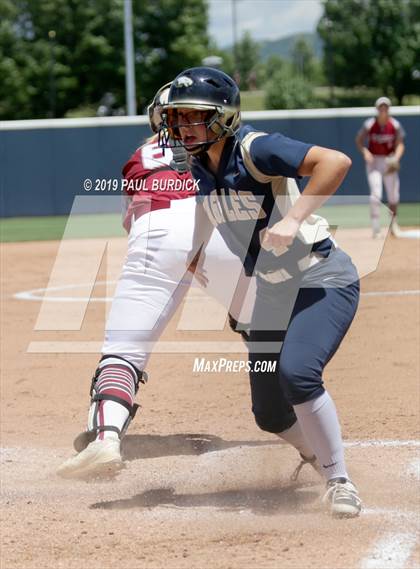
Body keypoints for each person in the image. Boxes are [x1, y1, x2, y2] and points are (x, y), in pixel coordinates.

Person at [160, 66, 363, 518]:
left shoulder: (254, 148)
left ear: (224, 117)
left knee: (297, 374)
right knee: (270, 414)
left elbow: (335, 162)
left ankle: (340, 480)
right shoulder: (199, 164)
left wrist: (292, 221)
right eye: (177, 117)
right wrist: (191, 254)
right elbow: (208, 211)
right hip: (272, 292)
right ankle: (315, 455)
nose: (182, 126)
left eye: (194, 116)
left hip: (319, 278)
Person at [57, 83, 256, 479]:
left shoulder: (139, 156)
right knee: (266, 326)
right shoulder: (223, 146)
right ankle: (297, 421)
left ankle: (106, 439)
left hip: (155, 231)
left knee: (124, 351)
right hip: (216, 227)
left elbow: (131, 219)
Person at [355, 96, 406, 238]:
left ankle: (393, 224)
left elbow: (400, 144)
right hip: (374, 161)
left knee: (394, 196)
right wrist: (365, 152)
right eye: (381, 107)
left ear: (389, 109)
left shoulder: (394, 124)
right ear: (377, 109)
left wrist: (396, 157)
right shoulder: (370, 124)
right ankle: (376, 226)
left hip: (389, 161)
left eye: (386, 107)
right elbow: (359, 140)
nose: (383, 109)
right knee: (376, 194)